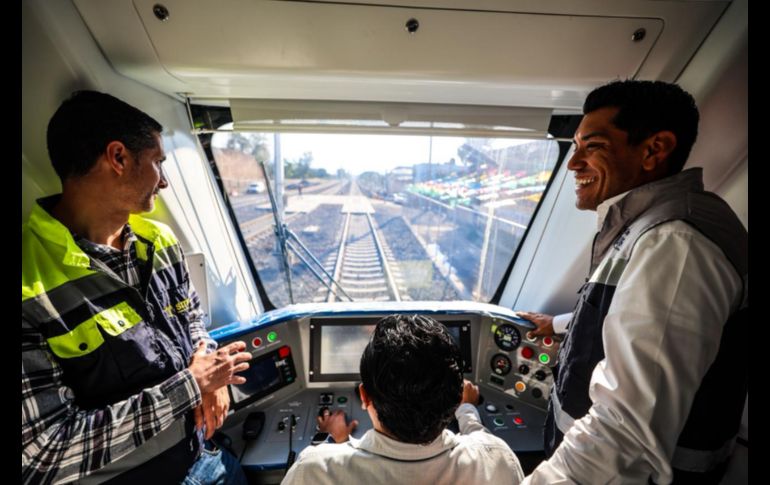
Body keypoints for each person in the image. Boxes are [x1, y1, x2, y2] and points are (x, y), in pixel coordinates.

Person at [517, 80, 747, 484]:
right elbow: (633, 314)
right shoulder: (648, 228)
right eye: (575, 146)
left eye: (594, 146)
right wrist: (555, 325)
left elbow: (625, 430)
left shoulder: (676, 244)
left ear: (654, 150)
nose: (573, 163)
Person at [21, 91, 254, 484]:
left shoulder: (159, 241)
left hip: (206, 459)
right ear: (118, 158)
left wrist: (211, 373)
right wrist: (192, 386)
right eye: (158, 162)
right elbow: (46, 452)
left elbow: (192, 319)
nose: (163, 180)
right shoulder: (31, 288)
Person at [282, 314, 524, 485]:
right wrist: (467, 408)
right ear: (454, 398)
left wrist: (334, 441)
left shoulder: (313, 470)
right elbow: (480, 441)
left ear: (364, 396)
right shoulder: (499, 459)